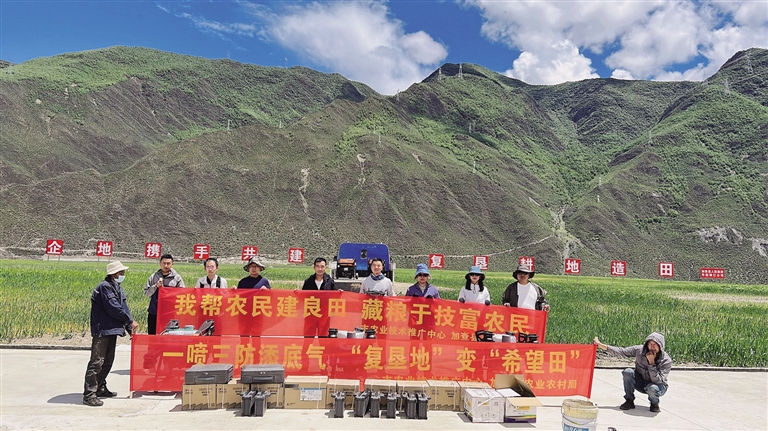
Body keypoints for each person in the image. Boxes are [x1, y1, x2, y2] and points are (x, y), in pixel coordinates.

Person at [83, 261, 138, 407]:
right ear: (114, 274)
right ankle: (89, 394)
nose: (123, 275)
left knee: (108, 361)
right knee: (97, 362)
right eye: (121, 273)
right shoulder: (105, 287)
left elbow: (123, 307)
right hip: (102, 329)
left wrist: (129, 327)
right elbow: (113, 308)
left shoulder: (117, 287)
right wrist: (130, 320)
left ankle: (100, 387)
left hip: (113, 329)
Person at [593, 332, 672, 413]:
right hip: (641, 382)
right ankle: (629, 400)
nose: (652, 347)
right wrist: (601, 345)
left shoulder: (666, 360)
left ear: (660, 346)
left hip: (657, 386)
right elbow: (621, 351)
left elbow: (658, 380)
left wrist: (651, 364)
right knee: (628, 372)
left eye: (655, 344)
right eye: (650, 344)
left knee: (652, 388)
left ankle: (654, 403)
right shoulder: (639, 350)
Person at [143, 254, 185, 335]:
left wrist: (170, 293)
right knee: (152, 335)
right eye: (164, 263)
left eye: (168, 263)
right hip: (154, 312)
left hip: (170, 313)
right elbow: (146, 293)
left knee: (169, 336)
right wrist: (156, 286)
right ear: (160, 263)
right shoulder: (153, 277)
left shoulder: (177, 278)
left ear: (172, 264)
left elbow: (182, 294)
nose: (166, 265)